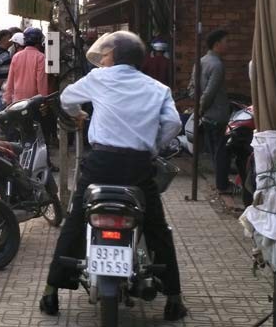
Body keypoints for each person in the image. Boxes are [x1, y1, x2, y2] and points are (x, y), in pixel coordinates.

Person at [39, 30, 187, 321]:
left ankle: (50, 292)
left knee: (76, 220)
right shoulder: (158, 88)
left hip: (101, 163)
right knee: (157, 227)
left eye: (105, 53)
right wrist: (153, 146)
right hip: (139, 167)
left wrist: (79, 114)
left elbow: (67, 98)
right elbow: (173, 123)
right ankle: (174, 299)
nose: (102, 58)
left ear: (113, 56)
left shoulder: (99, 78)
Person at [189, 29, 232, 194]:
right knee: (221, 151)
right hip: (217, 114)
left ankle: (219, 183)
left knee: (214, 150)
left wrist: (199, 109)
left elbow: (192, 90)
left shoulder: (200, 62)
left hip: (206, 116)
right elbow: (209, 93)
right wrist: (201, 108)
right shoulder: (217, 65)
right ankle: (222, 185)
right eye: (226, 42)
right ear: (217, 44)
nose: (228, 45)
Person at [3, 27, 47, 105]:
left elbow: (10, 80)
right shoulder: (41, 57)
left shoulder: (16, 56)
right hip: (33, 103)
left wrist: (7, 98)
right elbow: (41, 82)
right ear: (39, 41)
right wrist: (43, 102)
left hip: (17, 102)